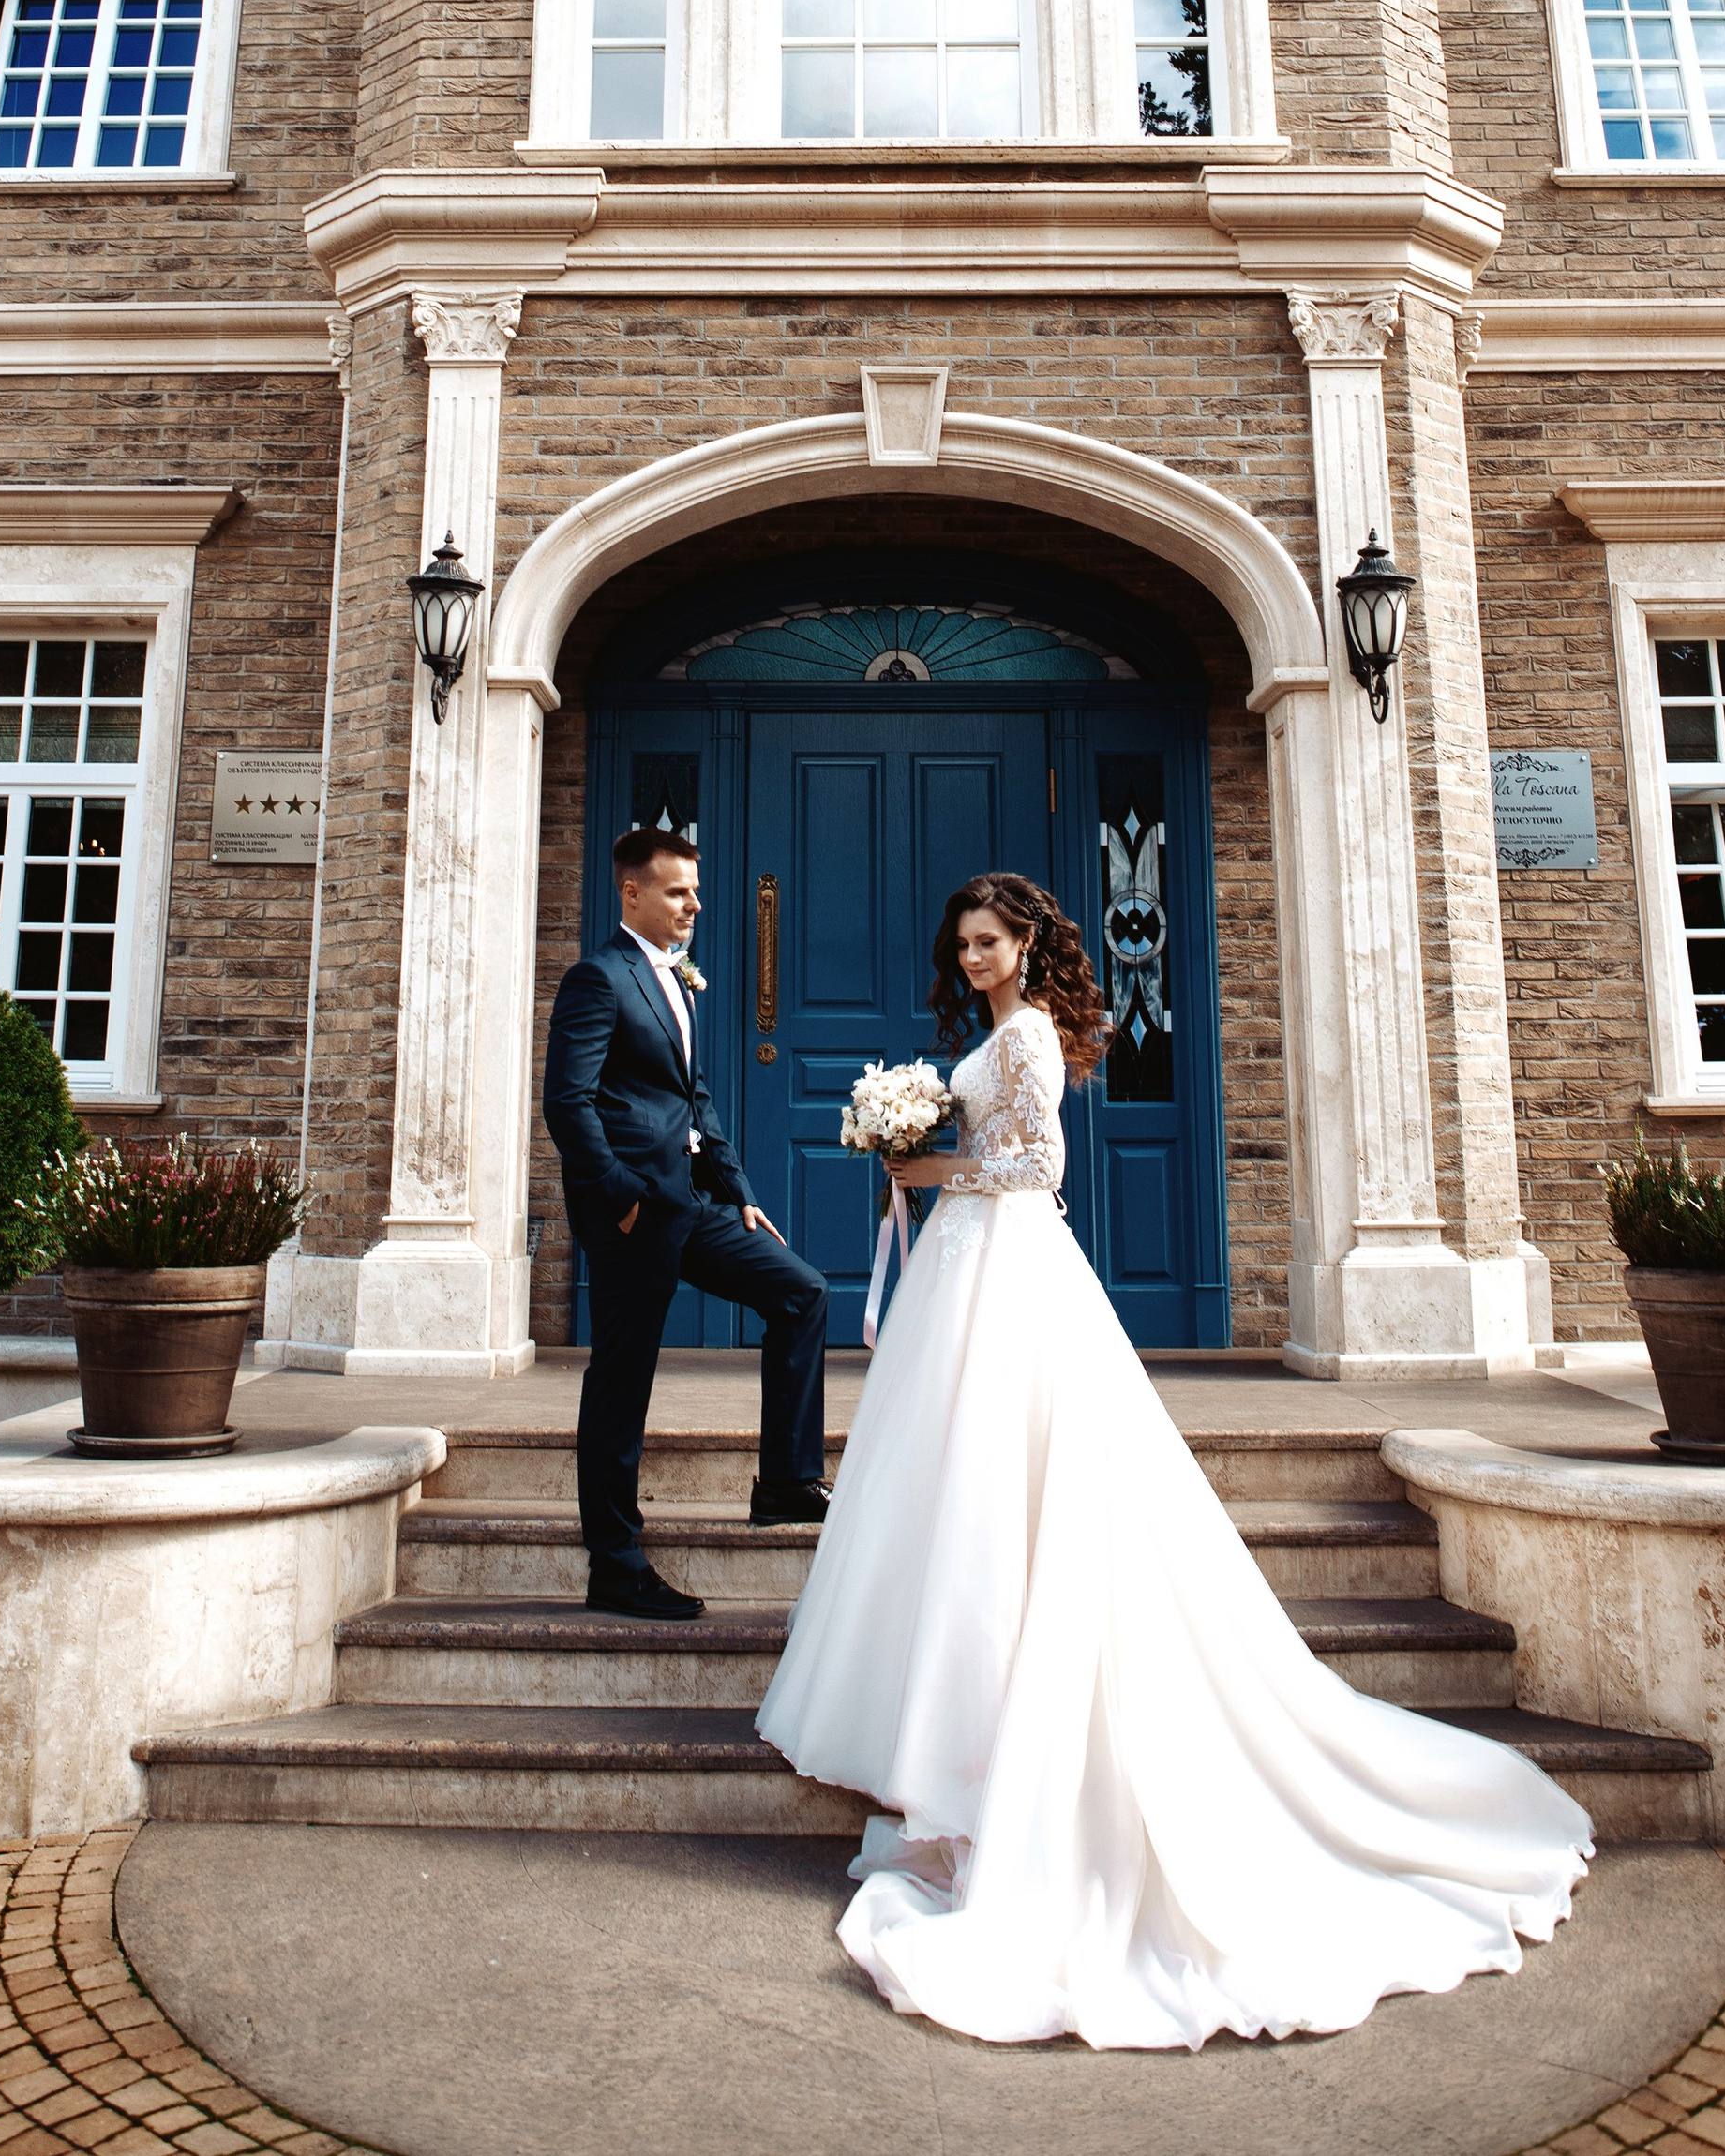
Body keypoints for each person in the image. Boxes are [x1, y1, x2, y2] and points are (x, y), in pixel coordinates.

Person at [757, 869, 1592, 2050]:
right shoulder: (990, 1033)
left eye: (990, 941)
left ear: (1029, 944)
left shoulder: (1033, 1037)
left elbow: (1039, 1171)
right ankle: (949, 1739)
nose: (974, 958)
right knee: (949, 1496)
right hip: (962, 1269)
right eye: (963, 944)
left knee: (1017, 1488)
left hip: (1009, 1268)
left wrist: (928, 1168)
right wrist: (915, 1149)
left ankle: (1007, 1758)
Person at [543, 825, 831, 1619]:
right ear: (631, 892)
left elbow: (691, 1098)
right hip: (634, 1211)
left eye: (695, 890)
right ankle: (616, 1562)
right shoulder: (597, 978)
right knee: (622, 1382)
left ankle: (784, 1482)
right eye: (677, 891)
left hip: (694, 1202)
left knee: (801, 1294)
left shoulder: (676, 977)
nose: (695, 904)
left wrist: (737, 1188)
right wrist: (621, 1193)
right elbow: (567, 1102)